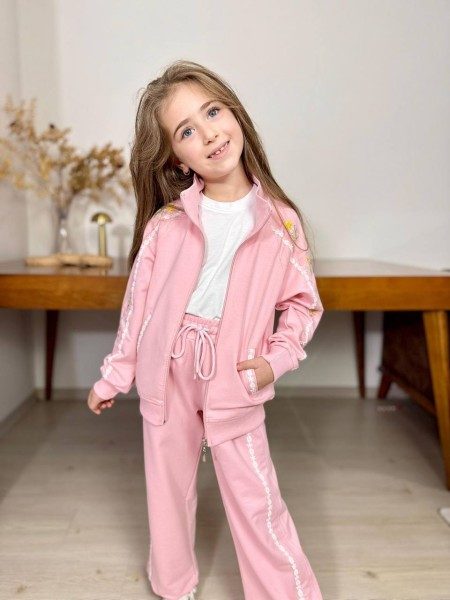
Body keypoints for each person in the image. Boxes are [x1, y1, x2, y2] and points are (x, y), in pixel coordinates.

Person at [87, 59, 324, 600]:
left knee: (256, 500)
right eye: (187, 130)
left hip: (235, 375)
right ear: (177, 156)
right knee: (167, 492)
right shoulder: (166, 224)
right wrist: (115, 375)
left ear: (234, 113)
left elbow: (304, 305)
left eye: (213, 112)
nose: (209, 133)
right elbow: (138, 309)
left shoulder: (281, 221)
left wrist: (274, 362)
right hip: (167, 372)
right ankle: (173, 586)